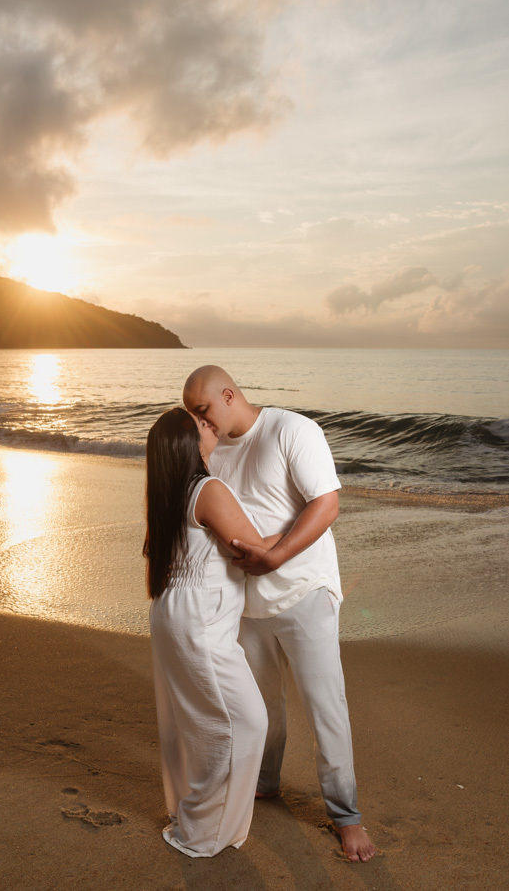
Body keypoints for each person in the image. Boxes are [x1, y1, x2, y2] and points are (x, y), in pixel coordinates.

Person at [183, 366, 376, 864]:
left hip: (304, 591)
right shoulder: (210, 451)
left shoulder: (291, 430)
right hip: (245, 604)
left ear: (228, 395)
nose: (198, 422)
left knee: (324, 704)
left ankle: (346, 815)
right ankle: (265, 783)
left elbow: (326, 505)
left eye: (202, 411)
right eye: (191, 416)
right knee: (261, 705)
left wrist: (274, 555)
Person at [145, 407, 283, 858]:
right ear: (188, 443)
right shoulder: (208, 490)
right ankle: (204, 833)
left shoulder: (166, 493)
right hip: (200, 618)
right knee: (244, 723)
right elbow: (257, 547)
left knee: (200, 721)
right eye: (199, 424)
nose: (209, 425)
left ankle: (202, 817)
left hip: (174, 609)